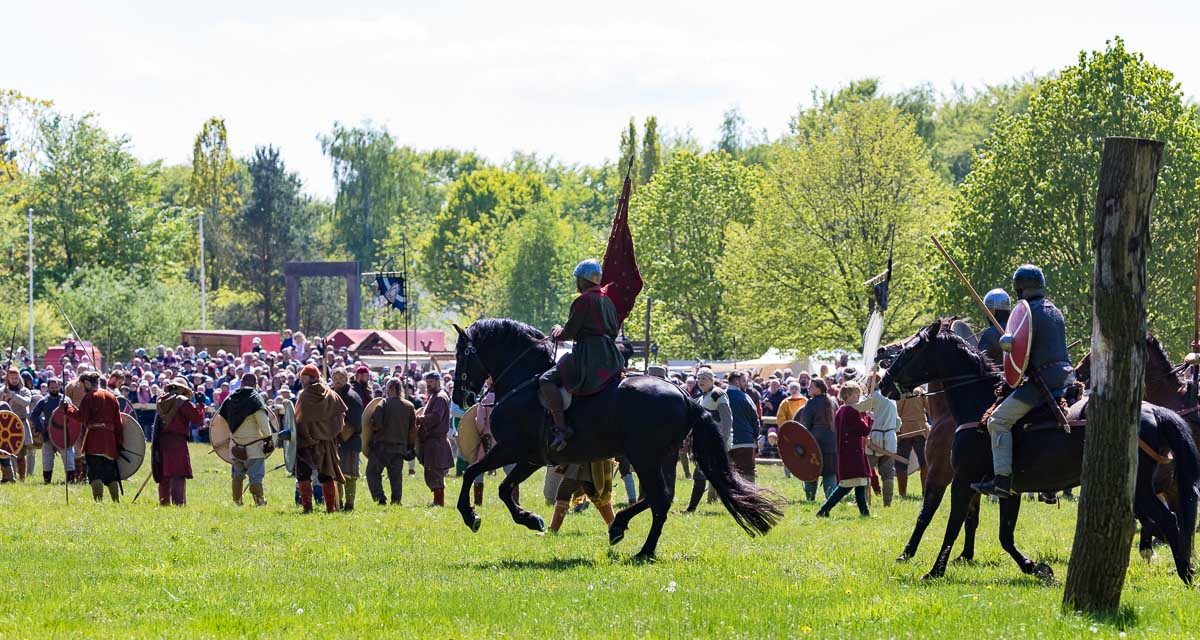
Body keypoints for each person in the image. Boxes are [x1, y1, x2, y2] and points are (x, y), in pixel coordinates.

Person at [972, 265, 1073, 498]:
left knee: (998, 421)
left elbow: (1020, 350)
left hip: (1041, 383)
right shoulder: (1054, 310)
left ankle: (1002, 481)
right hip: (1066, 377)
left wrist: (1008, 343)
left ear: (1019, 290)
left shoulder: (1030, 313)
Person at [539, 259, 625, 452]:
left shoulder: (583, 300)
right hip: (611, 356)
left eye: (577, 279)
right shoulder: (608, 300)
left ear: (583, 280)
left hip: (589, 355)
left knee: (546, 379)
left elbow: (567, 333)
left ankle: (560, 428)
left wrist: (557, 330)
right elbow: (613, 330)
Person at [63, 371, 123, 502]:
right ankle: (116, 500)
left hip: (95, 438)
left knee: (95, 472)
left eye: (82, 385)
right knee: (110, 472)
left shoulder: (89, 397)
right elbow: (118, 423)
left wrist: (67, 409)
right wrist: (119, 443)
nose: (82, 388)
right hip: (110, 440)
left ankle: (98, 502)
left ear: (87, 383)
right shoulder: (112, 396)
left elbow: (81, 417)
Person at [294, 364, 347, 513]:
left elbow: (298, 421)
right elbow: (340, 419)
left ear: (312, 378)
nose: (302, 381)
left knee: (304, 474)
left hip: (306, 443)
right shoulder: (331, 394)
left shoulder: (304, 396)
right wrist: (329, 433)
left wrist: (308, 435)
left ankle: (308, 508)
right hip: (326, 442)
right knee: (326, 474)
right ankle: (330, 509)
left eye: (304, 378)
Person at [817, 382, 872, 518]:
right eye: (855, 394)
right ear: (847, 396)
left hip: (848, 452)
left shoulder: (841, 410)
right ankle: (824, 509)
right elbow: (863, 430)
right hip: (852, 453)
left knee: (859, 484)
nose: (858, 396)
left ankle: (864, 513)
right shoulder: (850, 411)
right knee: (845, 486)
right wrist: (869, 419)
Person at [219, 373, 274, 506]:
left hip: (235, 446)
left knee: (237, 475)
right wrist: (268, 438)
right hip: (254, 447)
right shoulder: (255, 398)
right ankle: (259, 502)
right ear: (256, 384)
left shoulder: (230, 398)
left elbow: (221, 419)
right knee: (255, 476)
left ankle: (237, 502)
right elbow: (263, 423)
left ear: (241, 383)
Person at [152, 377, 204, 506]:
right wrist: (201, 405)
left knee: (164, 473)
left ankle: (164, 503)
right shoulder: (182, 401)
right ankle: (178, 504)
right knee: (178, 473)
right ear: (182, 389)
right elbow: (197, 419)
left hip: (162, 441)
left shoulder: (161, 400)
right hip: (177, 441)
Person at [685, 368, 731, 512]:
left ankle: (692, 508)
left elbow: (727, 419)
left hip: (713, 442)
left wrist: (721, 441)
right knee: (703, 474)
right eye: (698, 378)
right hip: (704, 442)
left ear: (711, 380)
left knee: (707, 474)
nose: (700, 381)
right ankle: (691, 508)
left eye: (704, 378)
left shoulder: (718, 394)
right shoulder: (701, 397)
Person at [366, 378, 416, 505]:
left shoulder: (383, 403)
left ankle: (380, 498)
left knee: (372, 473)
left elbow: (377, 424)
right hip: (399, 448)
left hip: (381, 447)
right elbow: (412, 430)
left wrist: (372, 428)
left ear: (389, 389)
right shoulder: (409, 406)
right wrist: (410, 446)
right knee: (396, 477)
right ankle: (396, 500)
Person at [856, 373, 898, 507]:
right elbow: (897, 422)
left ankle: (864, 502)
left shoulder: (876, 396)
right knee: (888, 473)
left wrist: (847, 405)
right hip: (890, 438)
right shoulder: (891, 398)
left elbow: (860, 407)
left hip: (877, 438)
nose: (867, 386)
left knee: (866, 471)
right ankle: (887, 504)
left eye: (868, 383)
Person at [795, 378, 838, 501]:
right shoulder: (833, 401)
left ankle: (810, 498)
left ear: (819, 388)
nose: (808, 388)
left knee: (811, 471)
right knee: (829, 473)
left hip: (815, 441)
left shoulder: (812, 402)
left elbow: (805, 424)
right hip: (832, 442)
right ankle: (831, 500)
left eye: (811, 386)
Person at [548, 460, 617, 533]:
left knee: (595, 493)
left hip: (591, 459)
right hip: (581, 458)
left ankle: (553, 530)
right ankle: (616, 527)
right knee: (594, 493)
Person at [416, 371, 453, 506]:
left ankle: (439, 502)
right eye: (427, 382)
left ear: (438, 382)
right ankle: (437, 501)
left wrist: (419, 419)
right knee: (432, 471)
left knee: (435, 472)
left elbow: (435, 417)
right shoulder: (435, 396)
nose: (428, 385)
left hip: (437, 441)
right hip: (433, 441)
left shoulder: (440, 397)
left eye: (431, 382)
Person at [332, 368, 364, 511]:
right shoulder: (332, 394)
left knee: (350, 475)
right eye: (335, 378)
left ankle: (349, 504)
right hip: (335, 440)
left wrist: (341, 431)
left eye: (340, 378)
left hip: (349, 440)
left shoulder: (352, 397)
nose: (337, 381)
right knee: (337, 474)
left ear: (346, 379)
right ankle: (338, 502)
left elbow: (357, 422)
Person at [30, 377, 69, 484]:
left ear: (59, 387)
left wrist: (66, 408)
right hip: (48, 433)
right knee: (47, 458)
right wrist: (41, 428)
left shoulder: (65, 400)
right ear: (48, 388)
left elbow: (72, 414)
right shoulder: (44, 401)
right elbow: (34, 415)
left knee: (67, 456)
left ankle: (70, 480)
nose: (54, 389)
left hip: (63, 433)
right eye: (52, 388)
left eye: (56, 387)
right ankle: (47, 481)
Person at [0, 368, 35, 481]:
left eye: (16, 378)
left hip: (20, 424)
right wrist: (4, 397)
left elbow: (26, 402)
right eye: (12, 378)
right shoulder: (2, 390)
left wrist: (13, 395)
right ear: (8, 379)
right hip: (5, 427)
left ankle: (22, 478)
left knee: (20, 453)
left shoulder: (24, 391)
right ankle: (8, 476)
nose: (14, 380)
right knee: (5, 452)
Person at [727, 371, 760, 484]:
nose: (746, 384)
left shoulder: (719, 396)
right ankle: (750, 498)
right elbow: (755, 420)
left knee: (725, 472)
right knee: (747, 474)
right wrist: (755, 436)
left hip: (724, 441)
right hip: (745, 441)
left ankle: (714, 499)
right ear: (737, 382)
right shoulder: (746, 397)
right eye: (744, 381)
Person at [896, 392, 929, 497]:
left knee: (902, 463)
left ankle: (903, 494)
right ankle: (925, 492)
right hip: (920, 430)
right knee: (924, 463)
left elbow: (897, 410)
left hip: (905, 431)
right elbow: (929, 408)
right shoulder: (920, 392)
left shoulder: (901, 393)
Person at [978, 288, 1012, 365]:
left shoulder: (991, 334)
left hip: (998, 376)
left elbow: (978, 363)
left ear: (993, 311)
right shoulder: (1015, 329)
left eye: (988, 310)